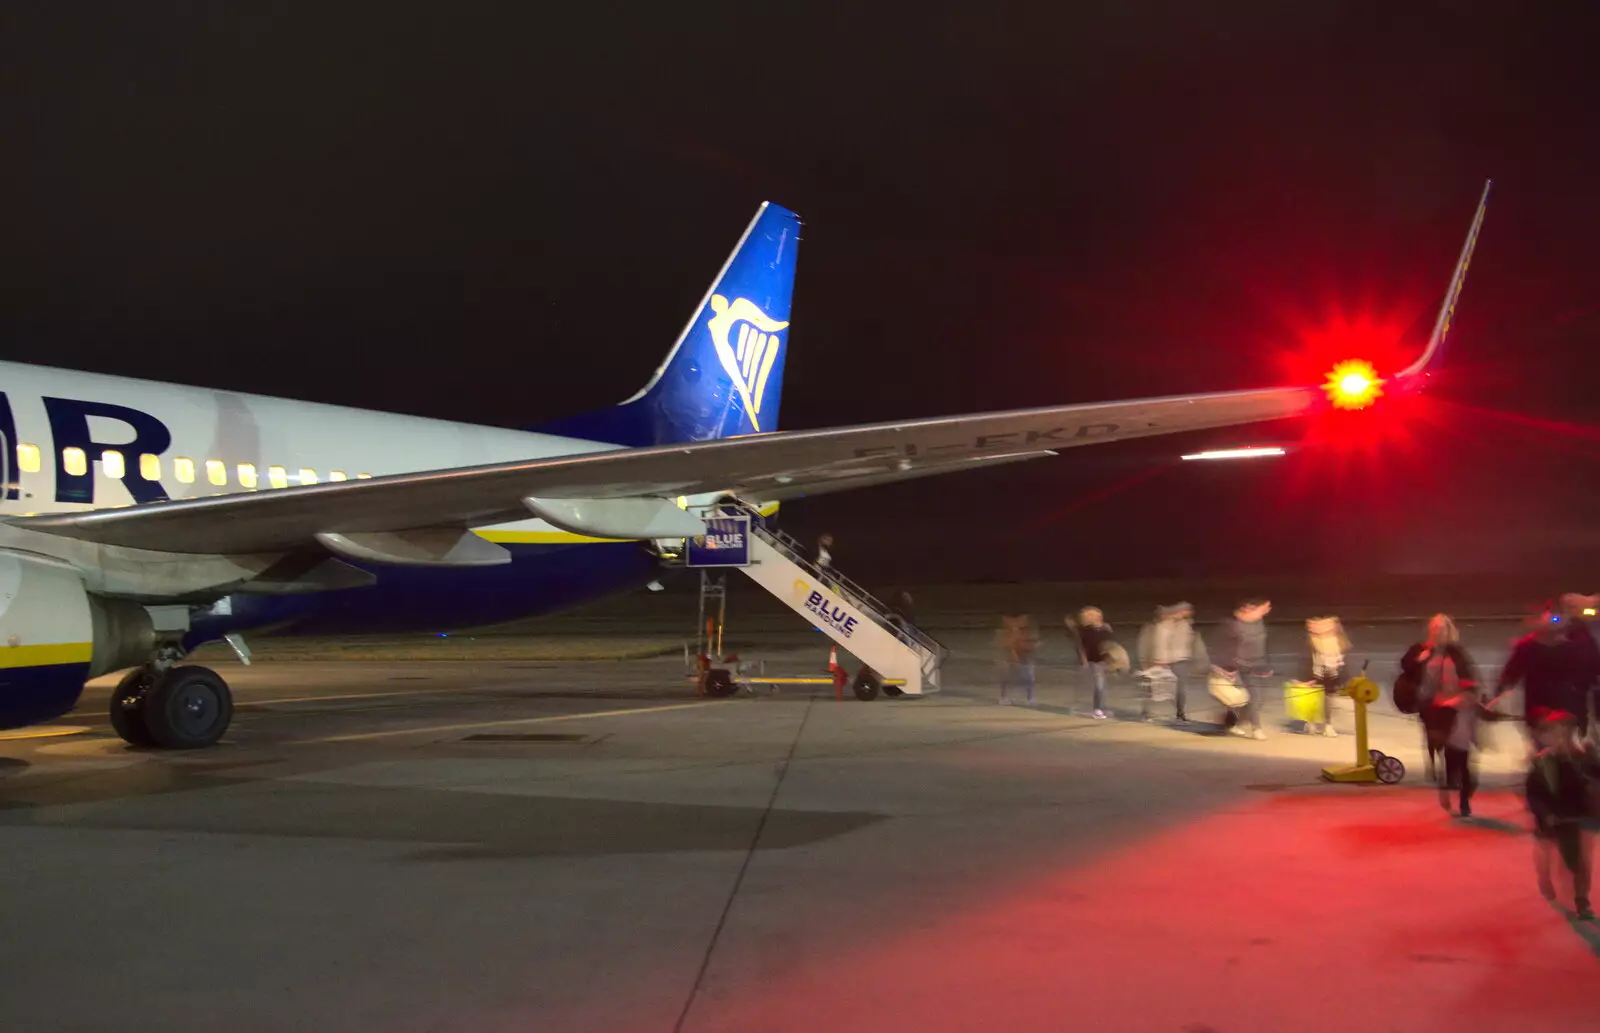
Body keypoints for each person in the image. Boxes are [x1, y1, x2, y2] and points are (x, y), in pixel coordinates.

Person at [1524, 708, 1598, 920]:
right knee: (1546, 853)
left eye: (1568, 731)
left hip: (1578, 817)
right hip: (1552, 817)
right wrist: (1545, 814)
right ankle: (1544, 877)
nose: (1563, 737)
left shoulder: (1585, 758)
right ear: (1549, 736)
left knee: (1582, 862)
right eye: (1557, 732)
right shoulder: (1542, 762)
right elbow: (1534, 795)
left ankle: (1582, 901)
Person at [1489, 607, 1600, 746]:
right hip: (1546, 708)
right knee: (1549, 747)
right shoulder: (1529, 646)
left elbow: (1593, 668)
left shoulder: (1577, 644)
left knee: (1564, 747)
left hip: (1566, 707)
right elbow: (1512, 672)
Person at [1399, 614, 1480, 783]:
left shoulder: (1456, 652)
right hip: (1427, 701)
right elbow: (1406, 666)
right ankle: (1434, 764)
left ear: (1448, 630)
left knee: (1451, 736)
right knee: (1432, 734)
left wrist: (1465, 695)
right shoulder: (1420, 649)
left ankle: (1453, 773)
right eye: (1434, 628)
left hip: (1451, 701)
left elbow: (1467, 673)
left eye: (1441, 628)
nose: (1437, 631)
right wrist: (1419, 658)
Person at [1137, 603, 1201, 724]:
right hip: (1160, 661)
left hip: (1180, 660)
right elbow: (1153, 644)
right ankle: (1146, 712)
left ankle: (1180, 714)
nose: (1185, 613)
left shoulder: (1185, 625)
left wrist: (1191, 657)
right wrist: (1148, 660)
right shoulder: (1157, 626)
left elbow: (1188, 642)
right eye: (1183, 611)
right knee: (1152, 689)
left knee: (1180, 690)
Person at [1216, 600, 1271, 739]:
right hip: (1240, 666)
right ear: (1247, 609)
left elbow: (1263, 646)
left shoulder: (1259, 623)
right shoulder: (1233, 625)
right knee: (1253, 697)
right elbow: (1225, 647)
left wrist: (1267, 665)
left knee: (1258, 700)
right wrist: (1227, 667)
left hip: (1257, 665)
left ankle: (1234, 723)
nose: (1266, 610)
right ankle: (1256, 728)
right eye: (1260, 608)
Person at [1303, 616, 1350, 737]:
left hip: (1332, 674)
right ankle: (1310, 722)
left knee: (1329, 701)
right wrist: (1306, 678)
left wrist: (1345, 678)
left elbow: (1344, 660)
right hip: (1316, 673)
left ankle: (1327, 725)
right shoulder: (1312, 640)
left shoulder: (1339, 640)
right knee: (1314, 700)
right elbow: (1304, 659)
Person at [1073, 607, 1116, 719]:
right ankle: (1097, 709)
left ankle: (1101, 707)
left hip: (1104, 660)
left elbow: (1110, 643)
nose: (1096, 617)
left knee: (1103, 686)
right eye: (1091, 615)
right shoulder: (1086, 630)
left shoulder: (1105, 628)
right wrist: (1084, 659)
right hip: (1094, 660)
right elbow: (1083, 646)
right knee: (1099, 685)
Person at [997, 614, 1039, 706]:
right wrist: (1013, 654)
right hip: (1012, 658)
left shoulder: (1025, 632)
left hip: (1025, 657)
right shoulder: (1009, 633)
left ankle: (1030, 698)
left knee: (1029, 678)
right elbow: (1006, 644)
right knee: (1007, 677)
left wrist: (1032, 647)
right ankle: (1003, 697)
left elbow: (1030, 644)